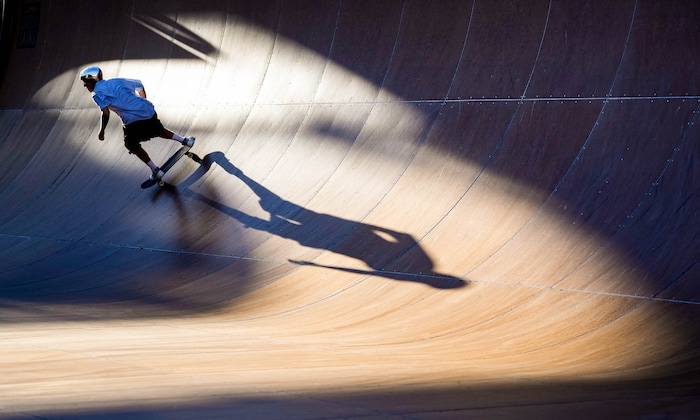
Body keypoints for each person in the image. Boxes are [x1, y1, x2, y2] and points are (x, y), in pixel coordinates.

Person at [79, 66, 195, 181]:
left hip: (132, 122)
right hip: (148, 111)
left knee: (130, 144)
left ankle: (155, 170)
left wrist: (102, 130)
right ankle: (185, 141)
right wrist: (143, 100)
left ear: (91, 81)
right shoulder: (117, 81)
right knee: (159, 130)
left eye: (85, 83)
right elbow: (139, 84)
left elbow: (105, 113)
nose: (85, 86)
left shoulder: (96, 94)